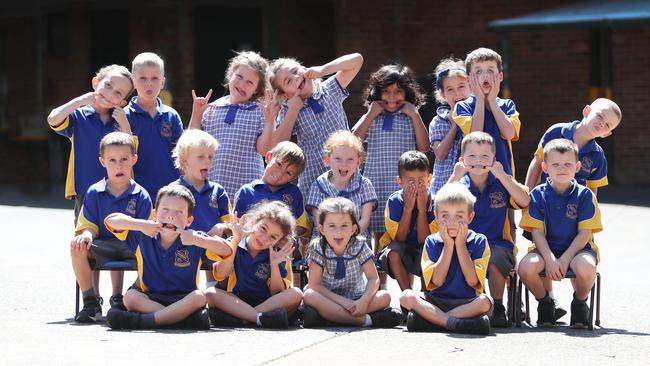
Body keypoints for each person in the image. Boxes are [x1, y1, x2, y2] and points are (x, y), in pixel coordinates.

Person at [104, 184, 233, 330]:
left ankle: (144, 321)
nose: (171, 216)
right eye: (165, 210)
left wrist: (198, 240)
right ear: (155, 214)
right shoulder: (142, 234)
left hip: (183, 298)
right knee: (130, 297)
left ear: (188, 221)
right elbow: (110, 220)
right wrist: (141, 224)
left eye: (179, 212)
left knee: (199, 297)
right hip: (149, 296)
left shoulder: (193, 238)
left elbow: (226, 250)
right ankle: (179, 320)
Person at [447, 132, 530, 327]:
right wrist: (454, 176)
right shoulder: (459, 185)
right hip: (465, 243)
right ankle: (470, 304)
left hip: (498, 244)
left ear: (494, 159)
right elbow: (439, 207)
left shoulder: (501, 183)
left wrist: (502, 175)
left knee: (493, 258)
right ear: (462, 159)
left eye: (485, 156)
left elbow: (525, 201)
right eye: (472, 156)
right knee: (462, 257)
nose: (478, 161)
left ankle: (498, 306)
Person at [518, 139, 603, 328]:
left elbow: (584, 234)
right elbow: (537, 233)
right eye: (555, 164)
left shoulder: (585, 195)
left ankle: (580, 303)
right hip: (546, 249)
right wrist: (549, 259)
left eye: (567, 164)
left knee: (586, 267)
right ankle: (545, 303)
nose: (561, 169)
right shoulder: (538, 195)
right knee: (525, 268)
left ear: (578, 167)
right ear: (545, 167)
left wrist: (564, 259)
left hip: (577, 250)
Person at [71, 132, 151, 322]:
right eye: (112, 160)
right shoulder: (94, 192)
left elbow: (148, 232)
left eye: (124, 159)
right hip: (103, 245)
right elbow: (89, 224)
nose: (119, 165)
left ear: (134, 159)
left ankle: (132, 294)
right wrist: (87, 236)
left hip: (132, 246)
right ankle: (90, 301)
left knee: (152, 252)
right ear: (102, 162)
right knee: (77, 247)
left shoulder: (141, 195)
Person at [400, 183, 493, 335]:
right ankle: (455, 323)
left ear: (470, 217)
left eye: (459, 216)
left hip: (467, 302)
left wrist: (460, 245)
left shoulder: (479, 241)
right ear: (436, 217)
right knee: (406, 296)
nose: (451, 223)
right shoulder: (431, 241)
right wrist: (448, 246)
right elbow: (436, 281)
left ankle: (433, 321)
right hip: (436, 301)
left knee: (485, 302)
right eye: (445, 216)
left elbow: (472, 281)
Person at [352, 64, 429, 246]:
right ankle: (380, 274)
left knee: (404, 229)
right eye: (386, 91)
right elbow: (352, 140)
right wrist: (370, 114)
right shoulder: (372, 116)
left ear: (408, 93)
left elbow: (424, 146)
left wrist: (416, 116)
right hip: (376, 181)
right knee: (379, 232)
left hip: (402, 184)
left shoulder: (410, 117)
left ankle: (404, 272)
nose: (392, 97)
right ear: (377, 92)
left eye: (398, 91)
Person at [47, 64, 134, 222]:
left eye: (118, 93)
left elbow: (131, 151)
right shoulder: (78, 117)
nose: (109, 93)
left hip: (117, 190)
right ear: (95, 83)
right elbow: (53, 119)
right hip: (84, 189)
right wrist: (79, 101)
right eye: (108, 85)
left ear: (122, 102)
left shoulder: (120, 121)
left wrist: (124, 123)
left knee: (116, 240)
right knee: (84, 241)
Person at [269, 53, 364, 196]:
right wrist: (294, 110)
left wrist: (322, 70)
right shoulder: (288, 110)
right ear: (286, 95)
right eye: (288, 81)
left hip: (345, 174)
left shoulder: (330, 89)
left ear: (304, 68)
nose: (296, 78)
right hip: (313, 182)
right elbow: (277, 144)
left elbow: (357, 60)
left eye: (295, 71)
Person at [189, 51, 278, 199]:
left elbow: (264, 150)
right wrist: (197, 113)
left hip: (246, 190)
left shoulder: (260, 112)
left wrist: (270, 121)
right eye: (239, 77)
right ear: (230, 74)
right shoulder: (212, 108)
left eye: (250, 82)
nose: (242, 84)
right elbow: (192, 143)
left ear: (257, 89)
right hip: (212, 188)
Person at [302, 197, 403, 328]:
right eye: (332, 226)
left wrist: (364, 301)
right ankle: (366, 320)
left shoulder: (359, 245)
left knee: (385, 297)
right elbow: (314, 285)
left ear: (353, 228)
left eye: (344, 225)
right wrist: (344, 302)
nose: (338, 232)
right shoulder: (318, 248)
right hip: (328, 299)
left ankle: (330, 317)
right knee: (309, 296)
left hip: (356, 298)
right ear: (321, 229)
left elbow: (373, 279)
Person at [206, 201, 304, 329]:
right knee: (210, 293)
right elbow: (220, 275)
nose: (264, 239)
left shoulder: (277, 254)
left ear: (279, 240)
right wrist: (235, 241)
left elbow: (277, 293)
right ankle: (260, 318)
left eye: (273, 237)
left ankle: (244, 318)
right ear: (253, 222)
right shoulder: (234, 242)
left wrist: (274, 265)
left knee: (296, 294)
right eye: (263, 228)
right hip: (236, 301)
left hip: (267, 304)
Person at [525, 98, 622, 196]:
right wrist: (527, 195)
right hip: (544, 200)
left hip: (574, 208)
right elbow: (537, 162)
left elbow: (592, 188)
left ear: (606, 134)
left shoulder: (598, 155)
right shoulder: (556, 131)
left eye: (607, 125)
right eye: (600, 116)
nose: (602, 123)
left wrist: (590, 209)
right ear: (586, 111)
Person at [171, 129, 231, 286]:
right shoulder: (173, 190)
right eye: (201, 157)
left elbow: (230, 223)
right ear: (184, 161)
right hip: (183, 246)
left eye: (211, 157)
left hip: (211, 246)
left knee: (225, 258)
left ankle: (216, 299)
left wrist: (222, 226)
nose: (208, 161)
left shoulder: (218, 190)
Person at [233, 141, 311, 254]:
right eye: (279, 164)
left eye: (288, 173)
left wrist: (282, 236)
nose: (279, 174)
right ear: (269, 156)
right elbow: (237, 224)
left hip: (281, 254)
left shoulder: (294, 193)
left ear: (294, 177)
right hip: (248, 252)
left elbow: (302, 227)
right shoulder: (246, 191)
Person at [453, 47, 520, 176]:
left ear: (500, 76)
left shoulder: (507, 105)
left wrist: (492, 102)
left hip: (503, 175)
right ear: (468, 79)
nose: (485, 76)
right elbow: (475, 136)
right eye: (478, 72)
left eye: (490, 70)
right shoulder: (462, 107)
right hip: (473, 178)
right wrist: (480, 99)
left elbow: (509, 134)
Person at [125, 52, 184, 200]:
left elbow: (182, 155)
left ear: (163, 82)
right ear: (133, 81)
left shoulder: (171, 116)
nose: (149, 83)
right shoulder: (124, 116)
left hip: (170, 192)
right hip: (135, 192)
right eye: (143, 78)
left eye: (154, 78)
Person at [377, 151, 436, 291]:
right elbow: (400, 238)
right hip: (403, 248)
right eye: (410, 181)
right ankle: (407, 295)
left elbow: (425, 240)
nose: (416, 186)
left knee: (429, 250)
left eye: (421, 181)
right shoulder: (394, 201)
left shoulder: (435, 203)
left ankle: (426, 294)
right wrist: (408, 209)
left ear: (429, 179)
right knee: (393, 252)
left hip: (423, 248)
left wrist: (422, 210)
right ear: (400, 181)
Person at [306, 131, 377, 238]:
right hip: (326, 242)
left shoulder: (365, 185)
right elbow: (318, 223)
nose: (344, 164)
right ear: (327, 160)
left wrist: (347, 239)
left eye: (350, 159)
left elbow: (364, 221)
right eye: (338, 159)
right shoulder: (318, 186)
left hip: (356, 240)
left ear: (358, 161)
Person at [429, 57, 470, 195]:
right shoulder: (438, 121)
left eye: (461, 86)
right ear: (442, 94)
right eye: (450, 89)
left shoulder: (478, 116)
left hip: (470, 188)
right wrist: (455, 126)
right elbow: (440, 154)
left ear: (471, 86)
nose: (457, 94)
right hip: (443, 186)